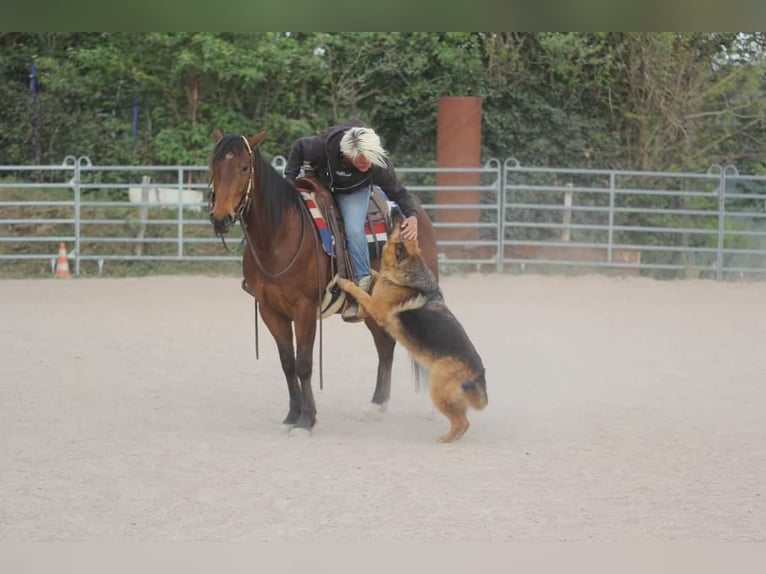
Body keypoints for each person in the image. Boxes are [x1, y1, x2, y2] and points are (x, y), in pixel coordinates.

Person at [284, 118, 419, 322]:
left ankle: (362, 286)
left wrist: (412, 216)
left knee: (354, 230)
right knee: (288, 216)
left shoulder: (377, 164)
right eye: (361, 158)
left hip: (353, 191)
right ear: (347, 154)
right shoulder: (321, 147)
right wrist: (289, 182)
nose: (366, 162)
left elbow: (398, 192)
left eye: (370, 158)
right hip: (320, 181)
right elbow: (299, 146)